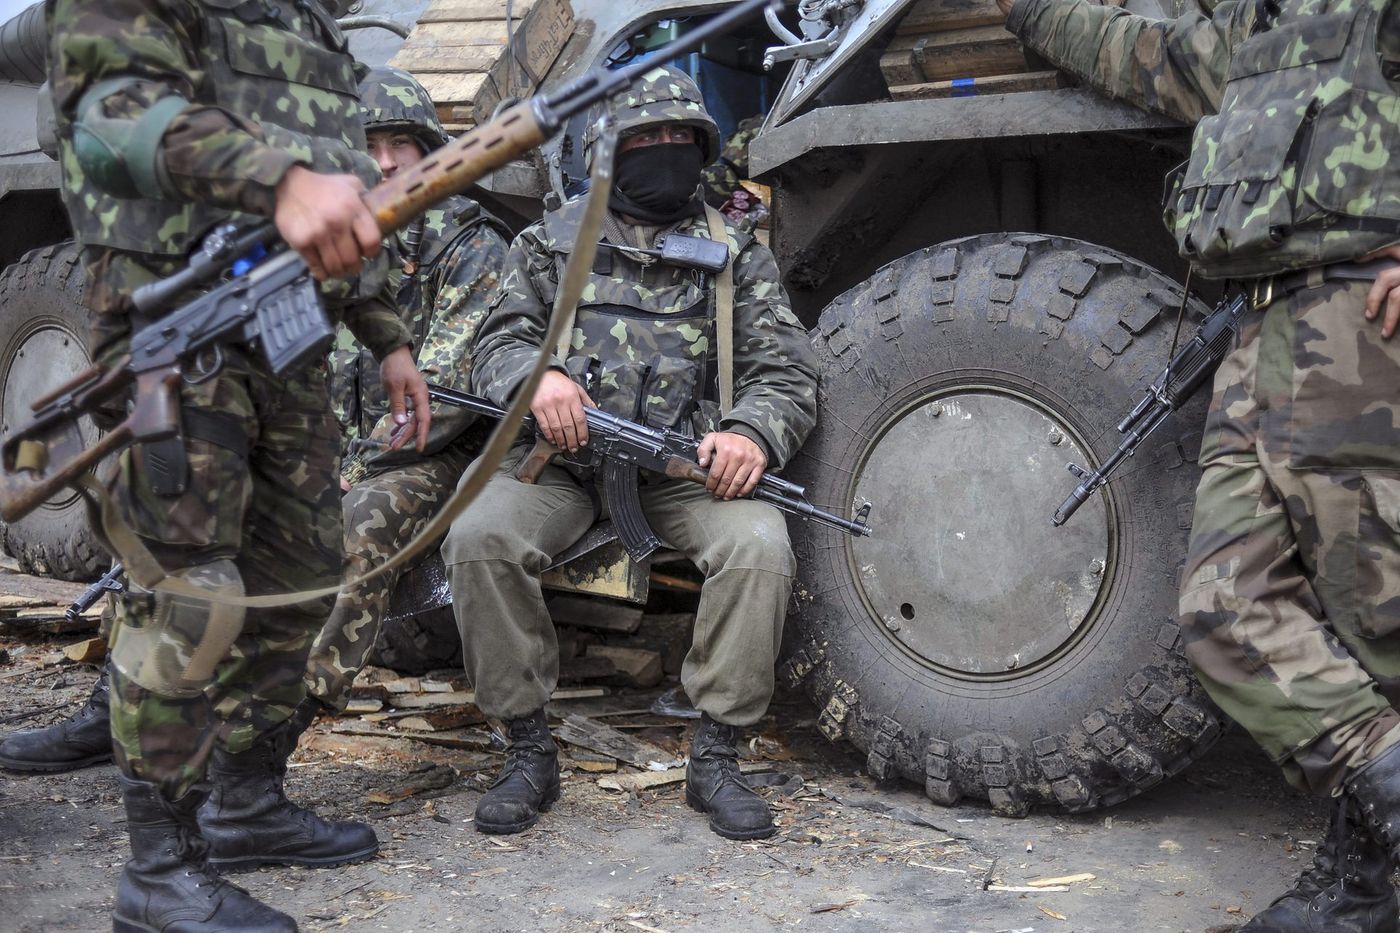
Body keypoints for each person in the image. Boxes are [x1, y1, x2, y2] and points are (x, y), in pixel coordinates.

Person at [1001, 0, 1400, 928]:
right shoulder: (1255, 28)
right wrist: (1024, 11)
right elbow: (1141, 52)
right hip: (1263, 321)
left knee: (1381, 613)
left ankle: (1366, 882)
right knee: (1227, 608)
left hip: (1363, 320)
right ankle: (1373, 859)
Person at [46, 0, 431, 927]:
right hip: (174, 328)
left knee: (299, 577)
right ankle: (158, 868)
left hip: (292, 334)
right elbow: (112, 113)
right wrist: (279, 178)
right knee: (189, 592)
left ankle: (246, 800)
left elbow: (338, 187)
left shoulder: (309, 22)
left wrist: (383, 334)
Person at [443, 65, 818, 841]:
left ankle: (716, 754)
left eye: (680, 138)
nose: (664, 150)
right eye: (645, 138)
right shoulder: (552, 240)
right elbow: (496, 340)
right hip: (563, 464)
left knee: (759, 546)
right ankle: (526, 749)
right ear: (609, 149)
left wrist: (750, 433)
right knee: (479, 539)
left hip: (684, 472)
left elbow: (786, 368)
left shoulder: (734, 249)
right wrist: (535, 377)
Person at [304, 66, 510, 714]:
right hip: (335, 454)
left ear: (429, 153)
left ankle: (291, 711)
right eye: (368, 146)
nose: (386, 162)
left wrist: (354, 467)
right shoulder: (323, 245)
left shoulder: (468, 243)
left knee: (360, 518)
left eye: (402, 145)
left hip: (435, 455)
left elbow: (443, 393)